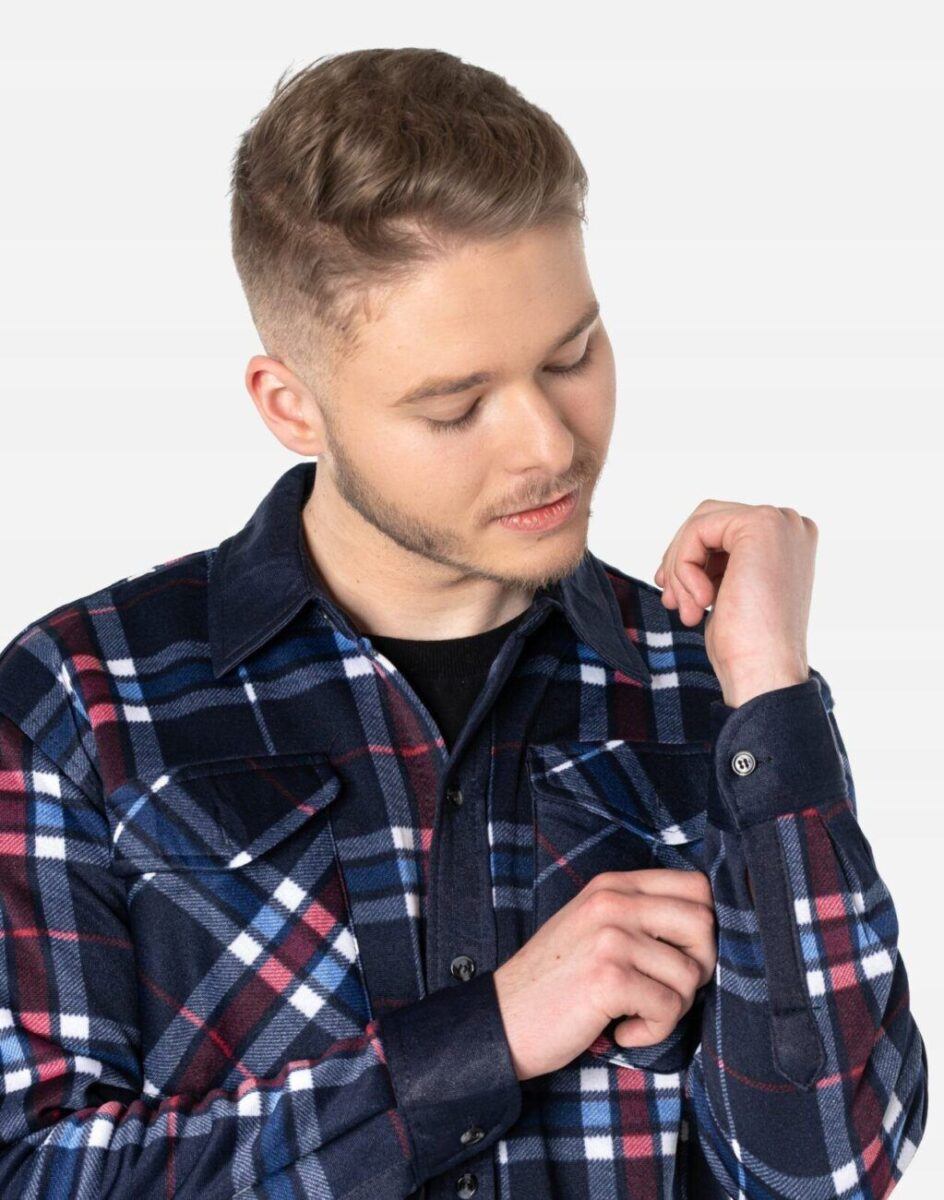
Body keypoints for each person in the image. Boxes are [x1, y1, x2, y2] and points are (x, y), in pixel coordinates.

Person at [0, 47, 927, 1199]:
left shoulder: (710, 688)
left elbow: (830, 1170)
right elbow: (32, 1172)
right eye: (455, 405)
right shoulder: (82, 702)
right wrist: (485, 1038)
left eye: (570, 355)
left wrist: (771, 694)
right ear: (291, 406)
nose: (548, 443)